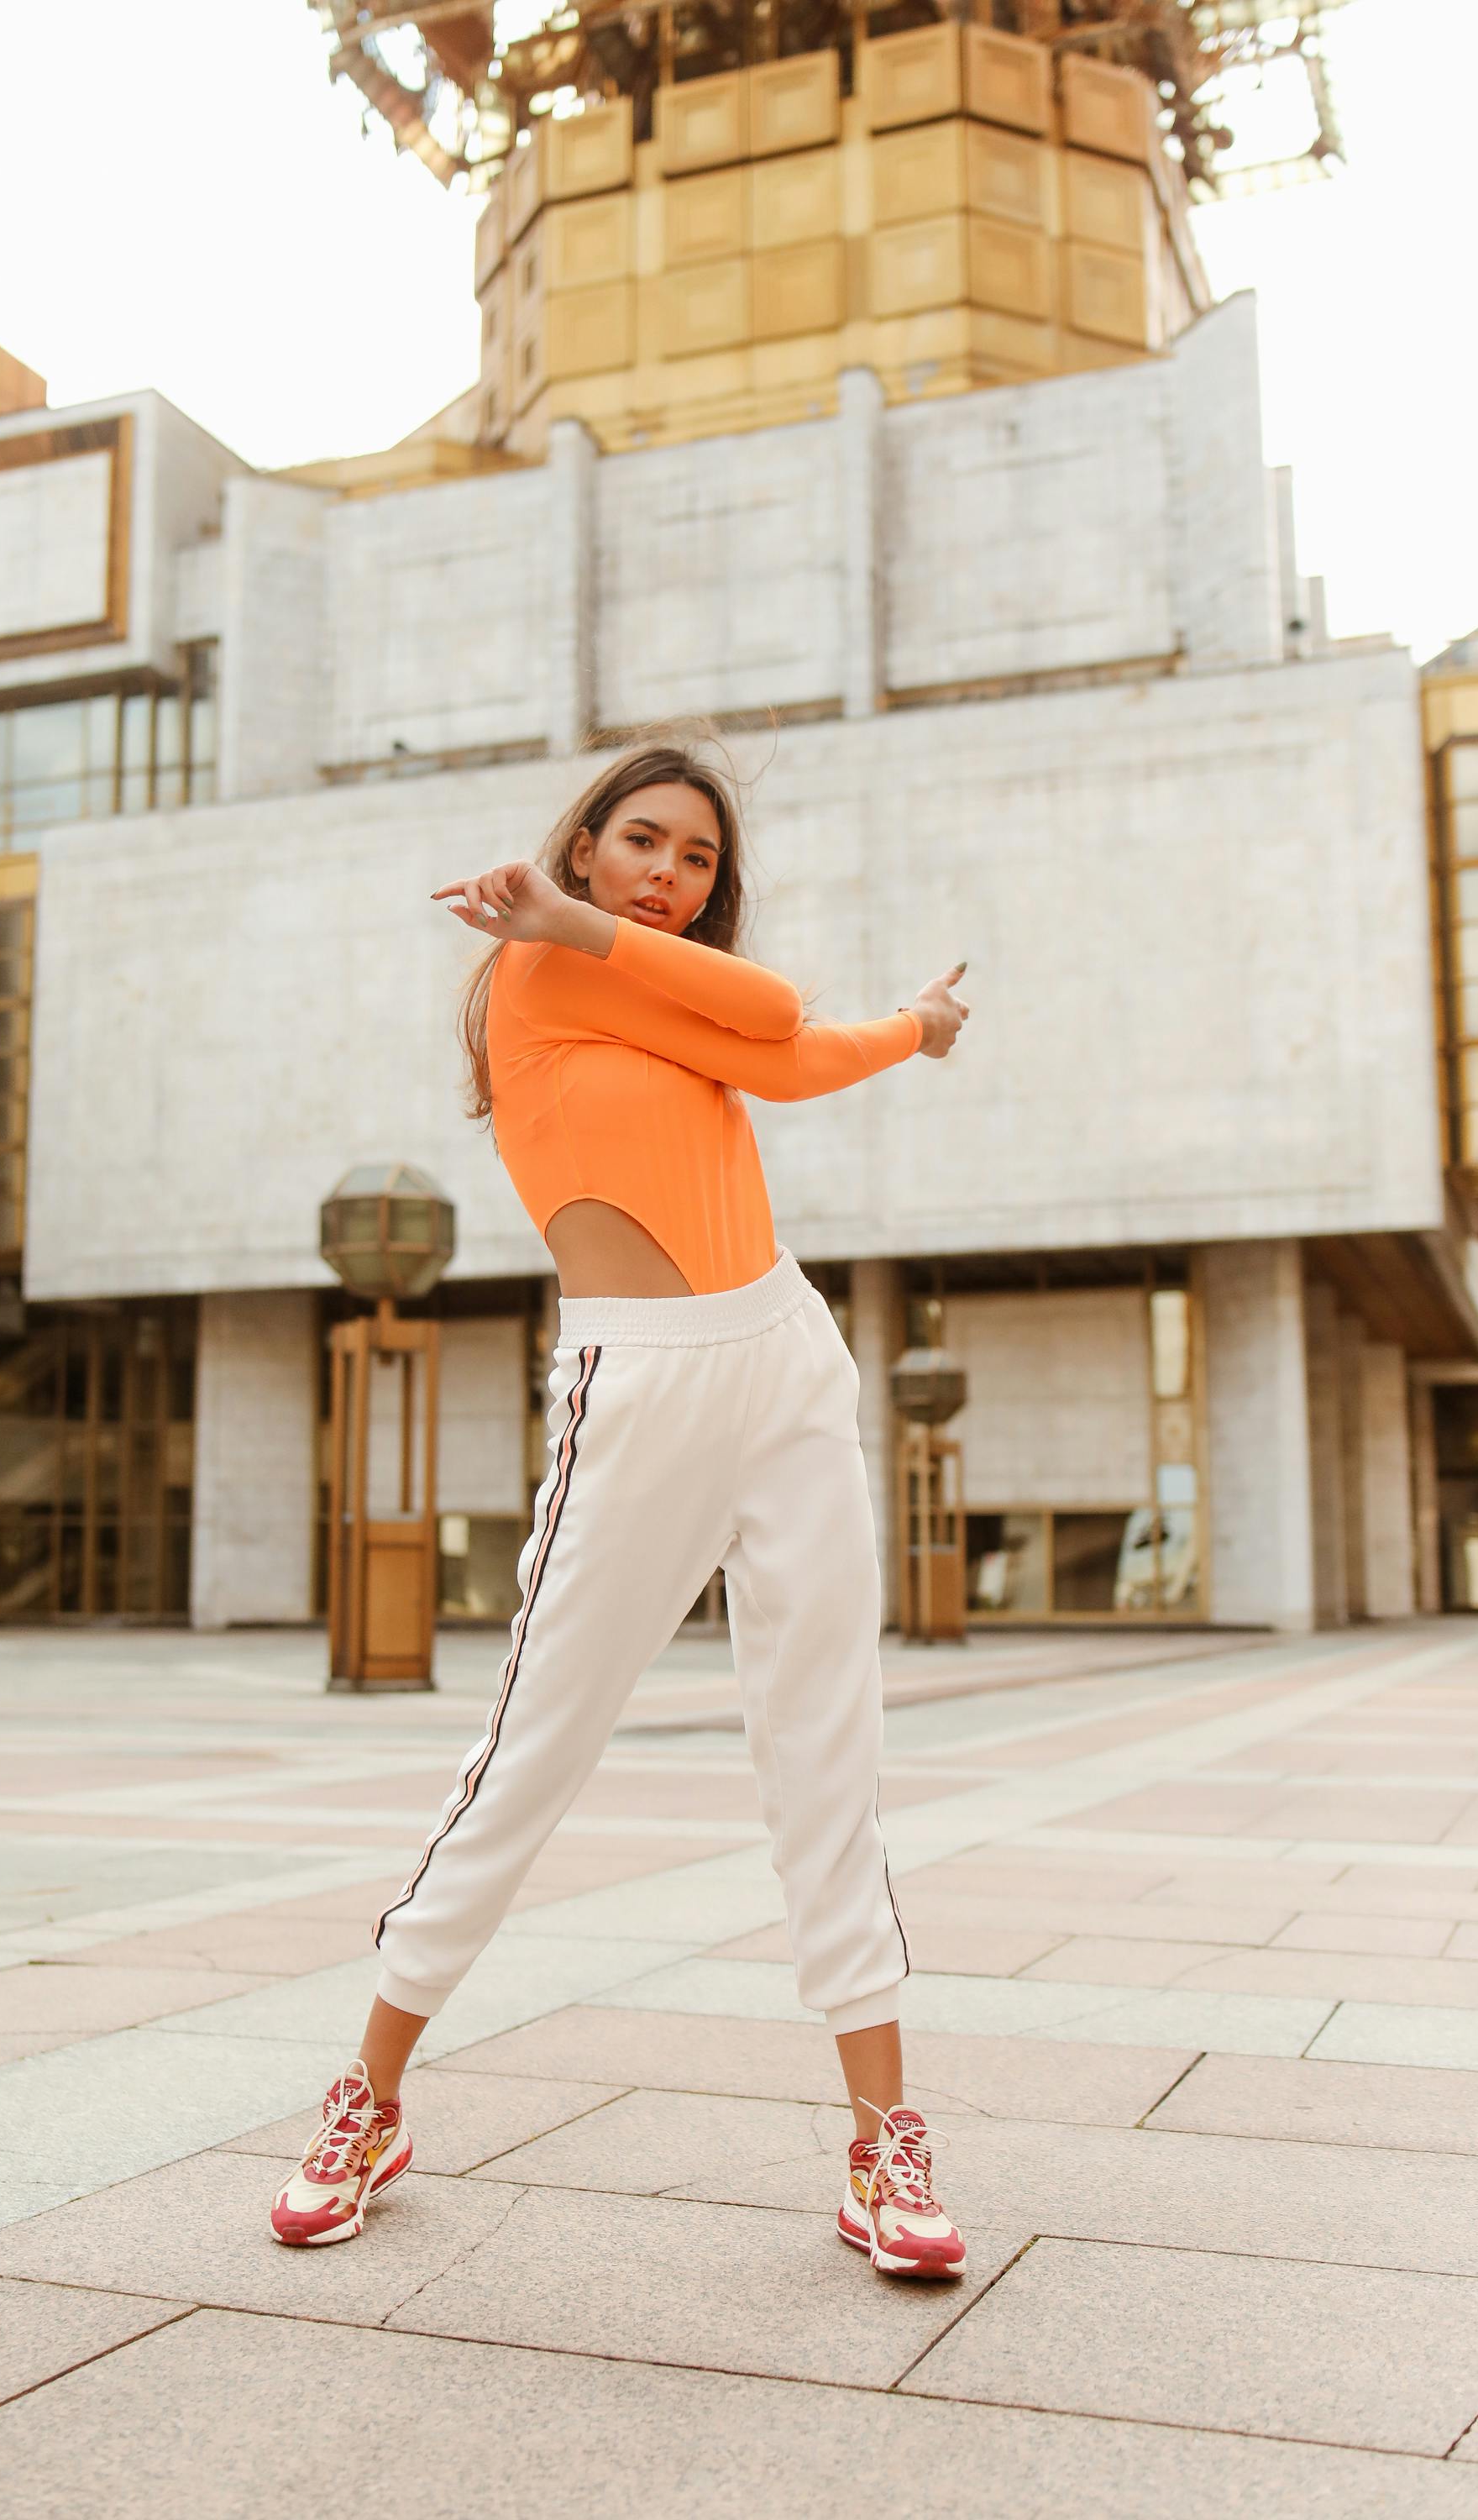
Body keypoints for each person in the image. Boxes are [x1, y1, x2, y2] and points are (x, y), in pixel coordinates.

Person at [270, 738, 970, 2277]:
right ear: (581, 847)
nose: (670, 872)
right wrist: (576, 927)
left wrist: (916, 1031)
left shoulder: (656, 989)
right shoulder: (540, 975)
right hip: (638, 1386)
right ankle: (369, 2097)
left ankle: (883, 2143)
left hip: (784, 1360)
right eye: (642, 840)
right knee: (533, 1748)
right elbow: (773, 1009)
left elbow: (784, 1049)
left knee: (824, 1746)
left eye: (699, 860)